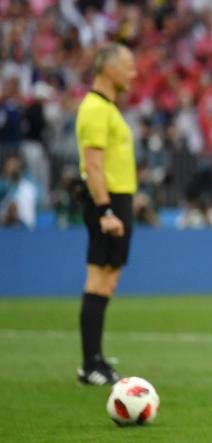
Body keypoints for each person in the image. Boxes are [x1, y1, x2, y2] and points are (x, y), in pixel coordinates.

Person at [74, 42, 137, 385]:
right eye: (128, 65)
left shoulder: (108, 108)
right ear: (109, 69)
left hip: (117, 201)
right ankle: (89, 364)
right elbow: (93, 166)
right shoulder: (95, 109)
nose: (133, 72)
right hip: (107, 202)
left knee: (107, 279)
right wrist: (105, 210)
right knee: (98, 278)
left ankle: (94, 358)